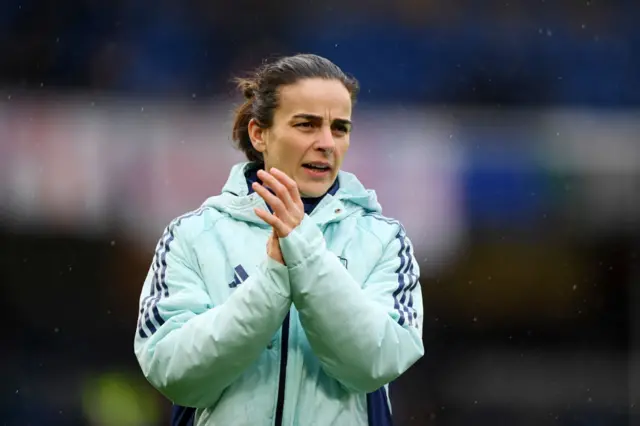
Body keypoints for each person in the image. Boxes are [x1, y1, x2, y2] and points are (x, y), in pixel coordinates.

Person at [134, 53, 424, 426]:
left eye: (340, 128)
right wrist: (273, 279)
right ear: (259, 134)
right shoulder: (191, 236)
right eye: (306, 125)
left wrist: (303, 252)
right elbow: (177, 375)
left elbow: (373, 363)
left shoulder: (385, 239)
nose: (326, 143)